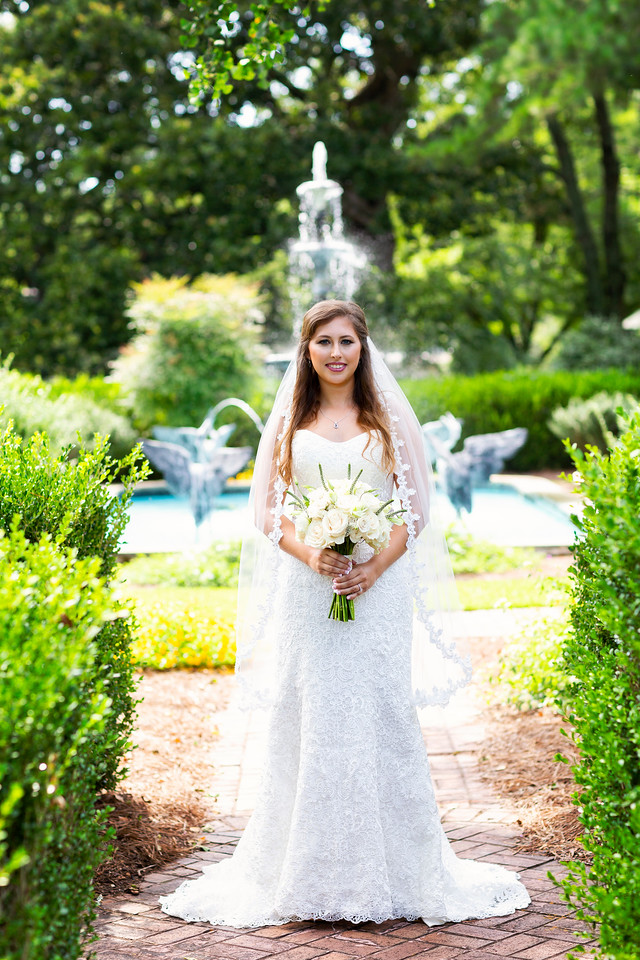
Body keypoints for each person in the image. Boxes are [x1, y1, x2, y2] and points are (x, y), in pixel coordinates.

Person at [159, 300, 530, 927]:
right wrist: (314, 555)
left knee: (381, 713)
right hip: (311, 594)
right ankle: (304, 872)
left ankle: (401, 871)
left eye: (347, 342)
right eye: (324, 342)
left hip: (378, 595)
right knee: (309, 714)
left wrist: (374, 566)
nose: (336, 353)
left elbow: (417, 508)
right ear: (307, 351)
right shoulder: (290, 421)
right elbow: (266, 512)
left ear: (363, 349)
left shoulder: (385, 420)